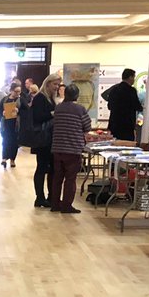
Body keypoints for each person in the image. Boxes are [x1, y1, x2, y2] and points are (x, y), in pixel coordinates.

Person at [50, 83, 92, 213]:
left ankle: (55, 204)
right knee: (70, 179)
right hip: (73, 149)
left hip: (57, 147)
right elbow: (87, 127)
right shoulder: (80, 109)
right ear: (77, 96)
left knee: (57, 178)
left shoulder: (58, 108)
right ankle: (67, 205)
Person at [28, 72, 62, 208]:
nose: (57, 87)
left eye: (58, 84)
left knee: (50, 168)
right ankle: (40, 197)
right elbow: (37, 117)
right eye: (55, 84)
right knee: (42, 168)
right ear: (48, 83)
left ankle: (50, 196)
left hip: (49, 138)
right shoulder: (40, 98)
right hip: (43, 139)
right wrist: (52, 114)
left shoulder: (50, 98)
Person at [104, 68, 143, 141]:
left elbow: (109, 106)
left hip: (114, 124)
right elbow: (137, 106)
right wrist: (142, 107)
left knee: (114, 145)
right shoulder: (131, 91)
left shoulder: (114, 89)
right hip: (127, 125)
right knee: (127, 146)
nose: (134, 79)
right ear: (130, 77)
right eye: (134, 77)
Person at [0, 81, 22, 168]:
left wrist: (18, 111)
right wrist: (3, 113)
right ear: (11, 90)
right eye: (16, 91)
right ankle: (4, 158)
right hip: (6, 123)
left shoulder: (21, 100)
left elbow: (26, 111)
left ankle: (12, 159)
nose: (17, 93)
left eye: (19, 91)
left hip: (16, 124)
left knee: (14, 142)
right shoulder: (5, 99)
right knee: (5, 140)